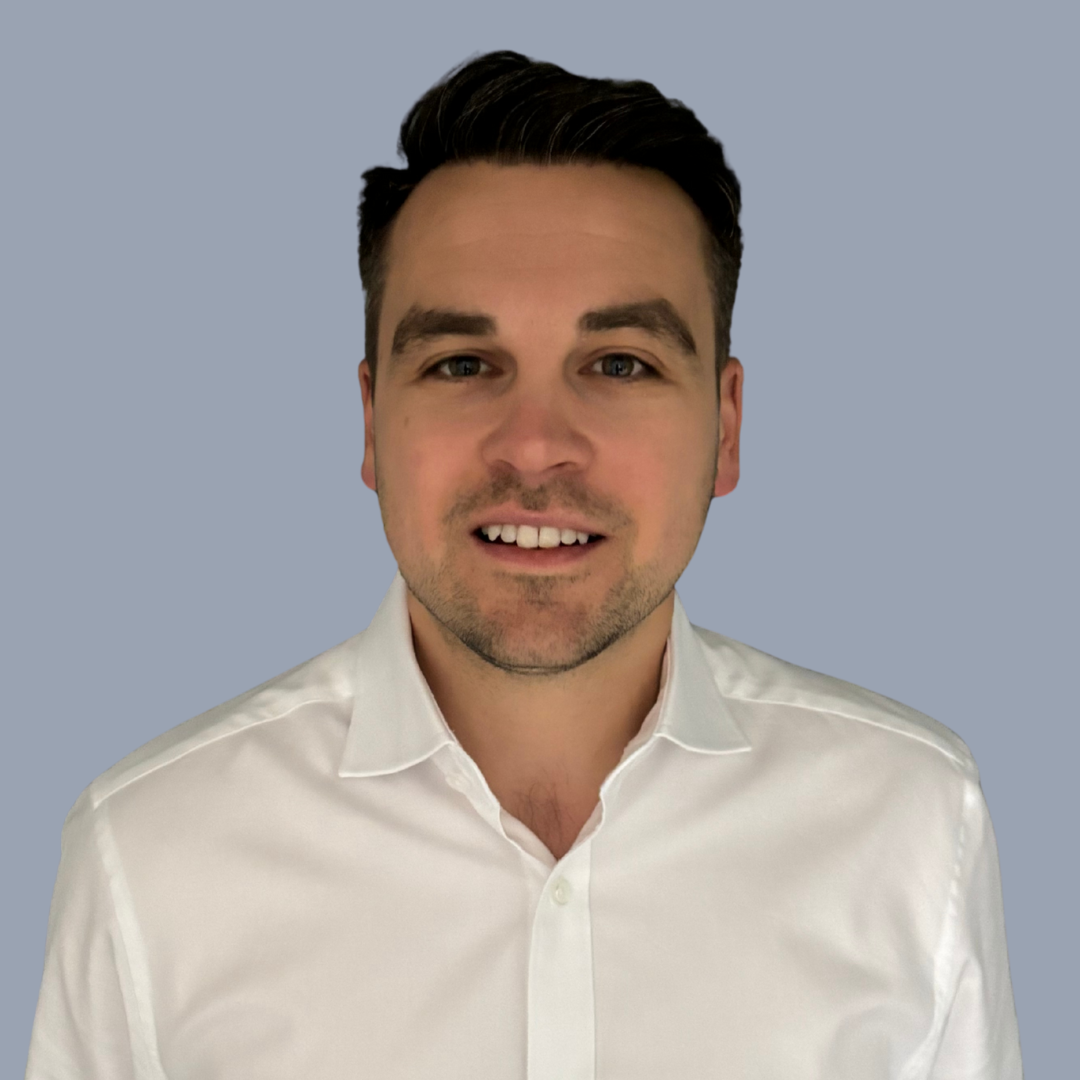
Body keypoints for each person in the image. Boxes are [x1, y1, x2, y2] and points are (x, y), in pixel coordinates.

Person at [26, 51, 1022, 1079]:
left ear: (725, 428)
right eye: (463, 364)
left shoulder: (911, 820)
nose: (536, 444)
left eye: (621, 364)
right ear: (372, 420)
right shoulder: (150, 853)